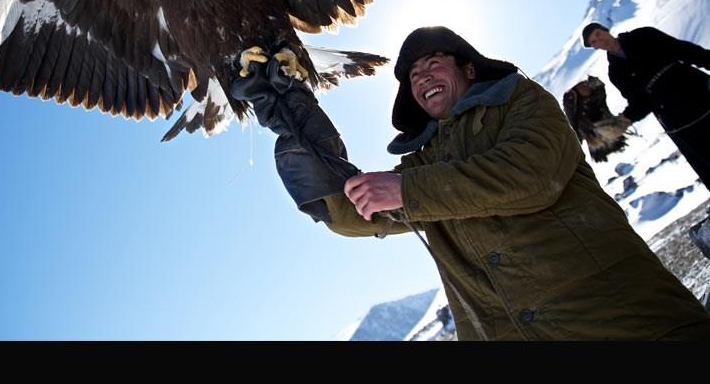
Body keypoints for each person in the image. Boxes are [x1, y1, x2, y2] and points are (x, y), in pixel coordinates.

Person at [231, 26, 710, 340]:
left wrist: (408, 192)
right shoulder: (424, 162)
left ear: (467, 68)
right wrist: (290, 108)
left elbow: (533, 175)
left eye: (433, 62)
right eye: (413, 75)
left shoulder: (521, 102)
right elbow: (347, 209)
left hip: (630, 329)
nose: (422, 76)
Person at [582, 22, 710, 186]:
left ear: (606, 30)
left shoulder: (643, 35)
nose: (599, 40)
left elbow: (683, 50)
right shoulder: (615, 73)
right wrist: (624, 120)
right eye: (593, 42)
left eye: (598, 34)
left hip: (699, 93)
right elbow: (640, 101)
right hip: (677, 120)